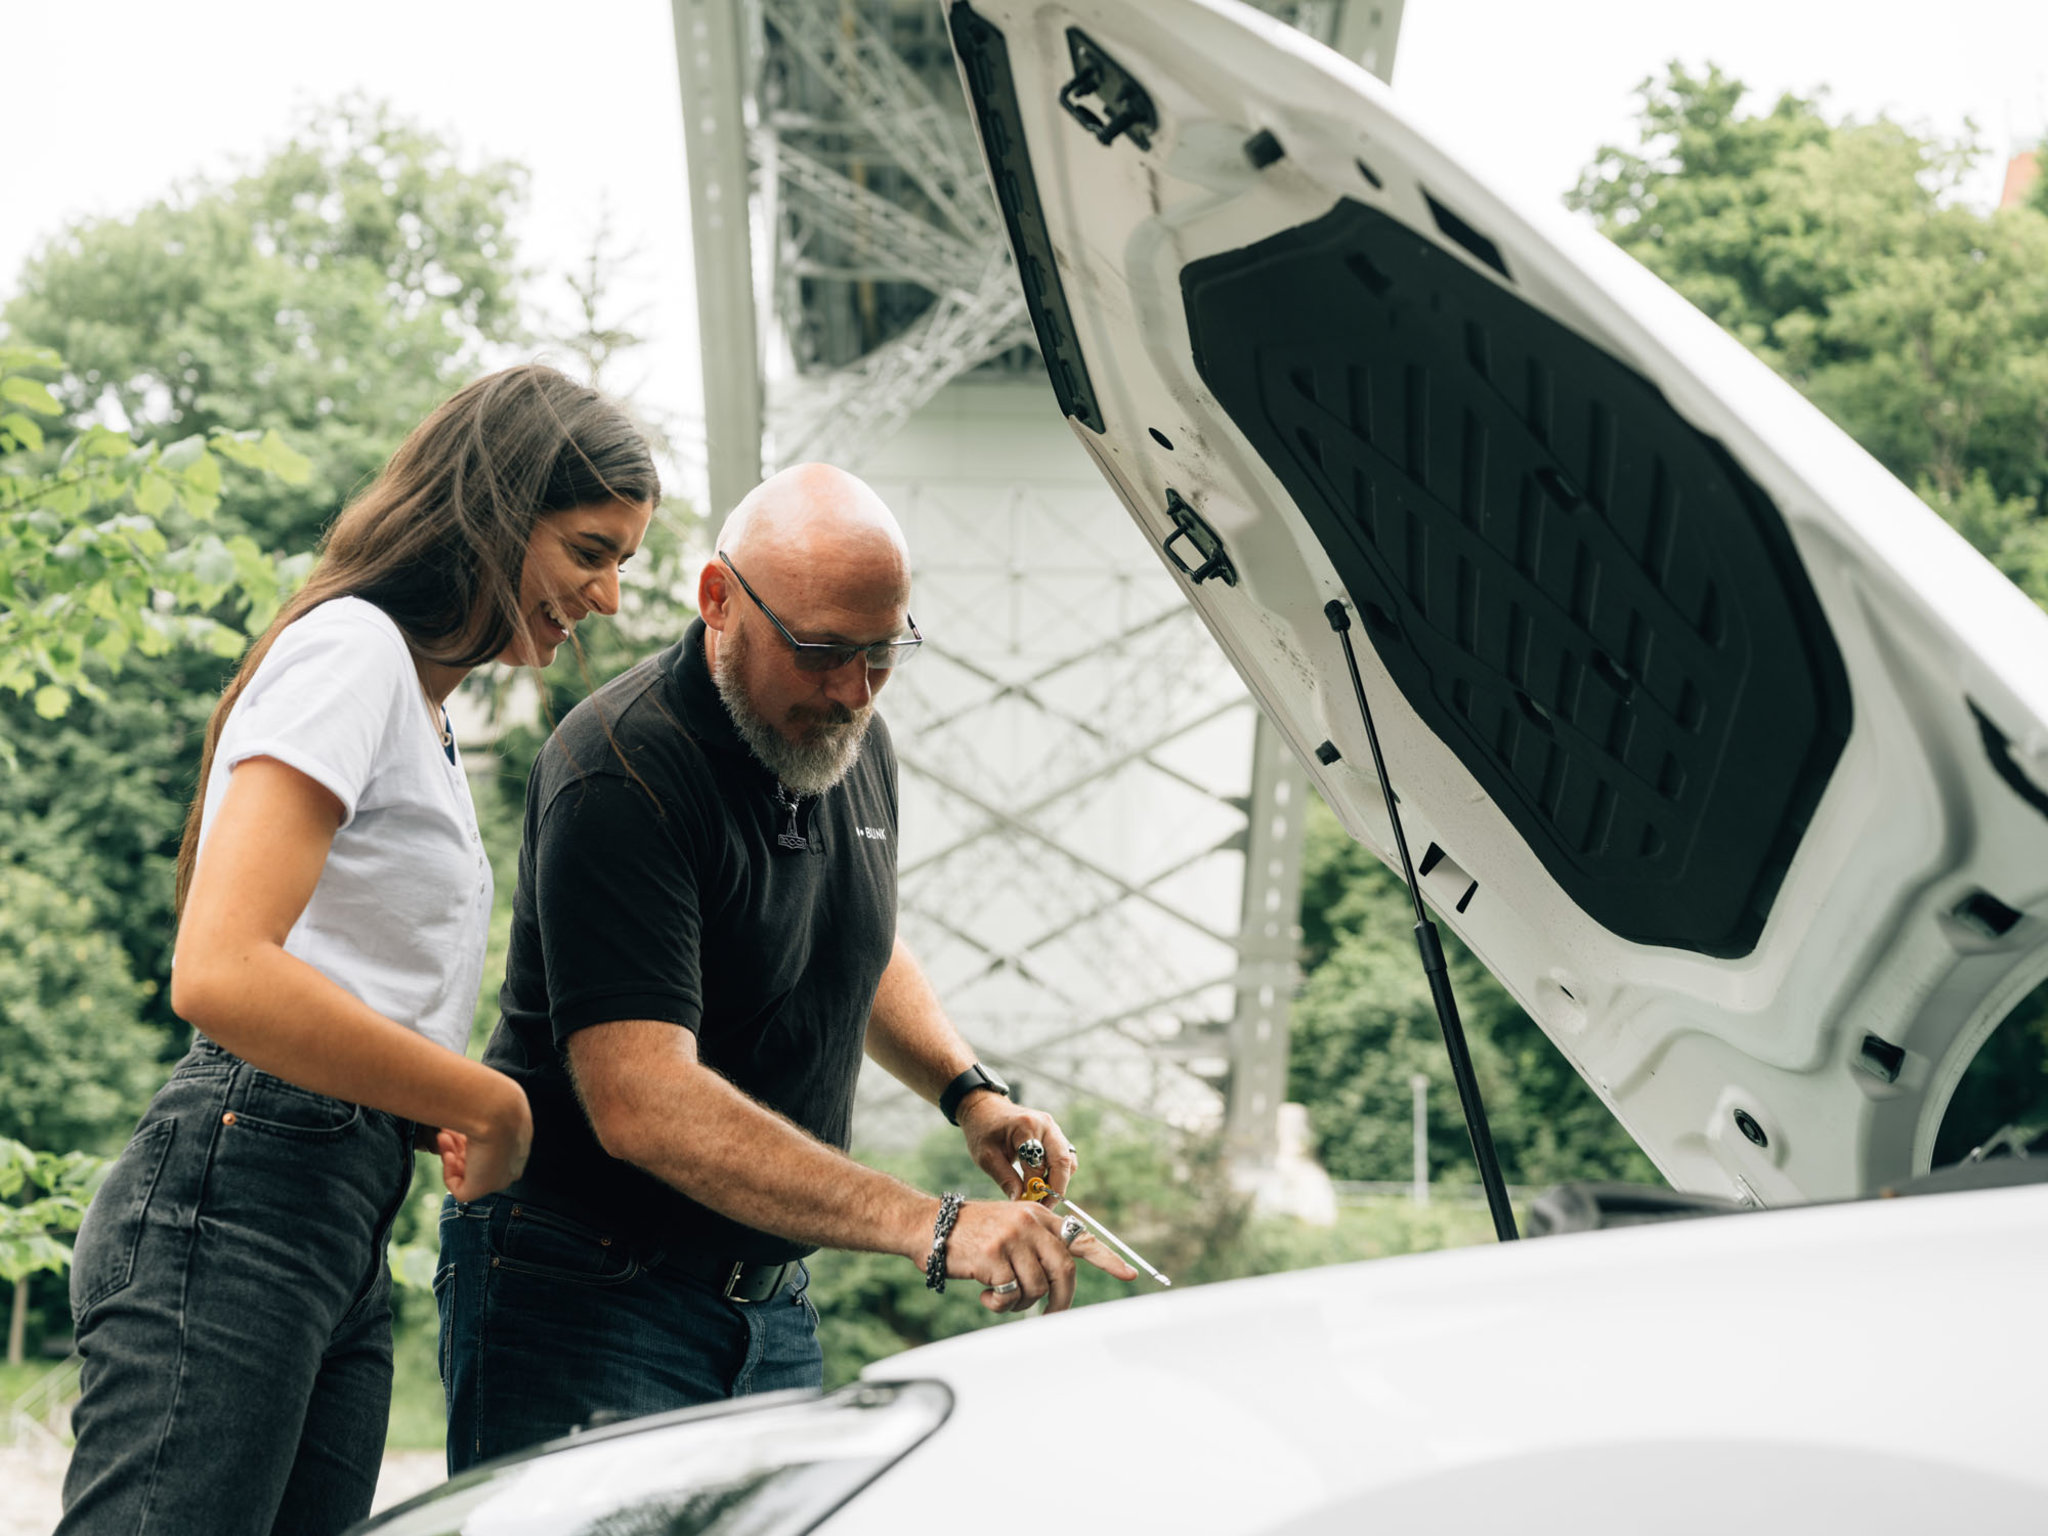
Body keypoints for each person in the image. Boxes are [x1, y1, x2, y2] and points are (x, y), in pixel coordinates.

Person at [58, 365, 659, 1536]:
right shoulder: (355, 652)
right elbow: (221, 969)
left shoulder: (424, 717)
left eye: (624, 563)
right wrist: (489, 1105)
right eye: (590, 549)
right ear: (496, 510)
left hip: (339, 1204)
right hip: (242, 1190)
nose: (605, 597)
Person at [437, 462, 1134, 1471]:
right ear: (718, 600)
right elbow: (642, 1101)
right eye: (818, 651)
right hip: (582, 1297)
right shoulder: (620, 772)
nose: (852, 691)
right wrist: (931, 1228)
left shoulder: (845, 736)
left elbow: (851, 934)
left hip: (768, 1308)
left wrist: (972, 1096)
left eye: (881, 653)